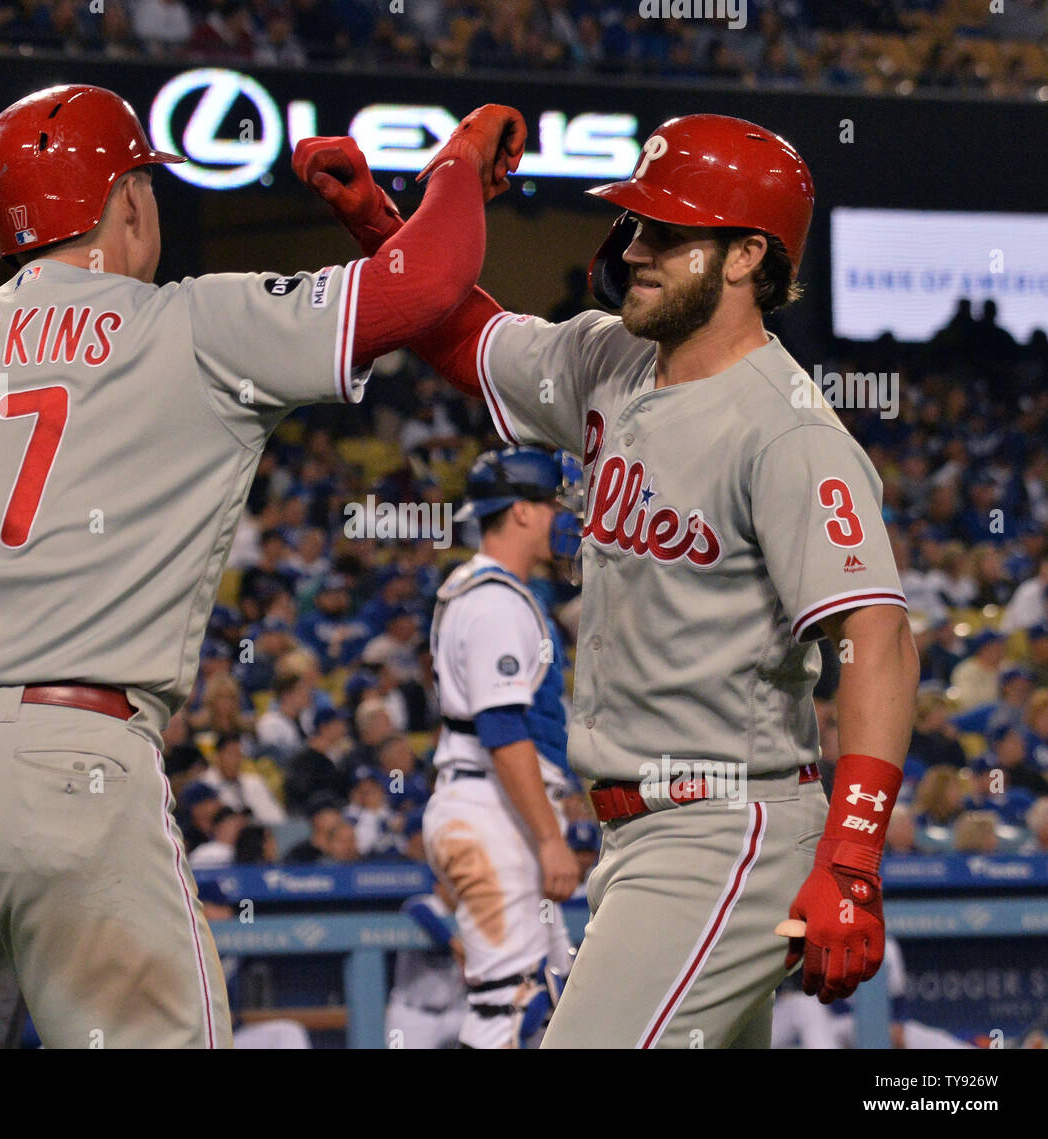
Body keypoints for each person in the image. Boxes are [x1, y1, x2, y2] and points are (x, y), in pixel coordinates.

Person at [0, 86, 517, 1049]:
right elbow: (425, 288)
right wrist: (455, 167)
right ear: (126, 199)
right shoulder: (194, 327)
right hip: (73, 763)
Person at [293, 112, 918, 1047]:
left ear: (748, 256)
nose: (635, 248)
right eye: (634, 223)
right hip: (634, 832)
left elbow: (878, 639)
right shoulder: (613, 359)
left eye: (667, 232)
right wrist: (382, 225)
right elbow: (470, 340)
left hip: (724, 828)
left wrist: (856, 857)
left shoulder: (789, 433)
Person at [421, 446, 583, 1048]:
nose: (563, 518)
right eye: (551, 504)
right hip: (490, 810)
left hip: (489, 805)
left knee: (545, 996)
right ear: (519, 511)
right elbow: (502, 730)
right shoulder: (494, 600)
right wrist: (548, 838)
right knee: (506, 1007)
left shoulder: (484, 588)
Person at [384, 881, 467, 1049]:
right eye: (450, 886)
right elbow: (417, 910)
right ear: (438, 887)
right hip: (413, 1016)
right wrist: (452, 944)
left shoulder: (469, 911)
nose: (456, 892)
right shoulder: (425, 904)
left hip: (456, 1013)